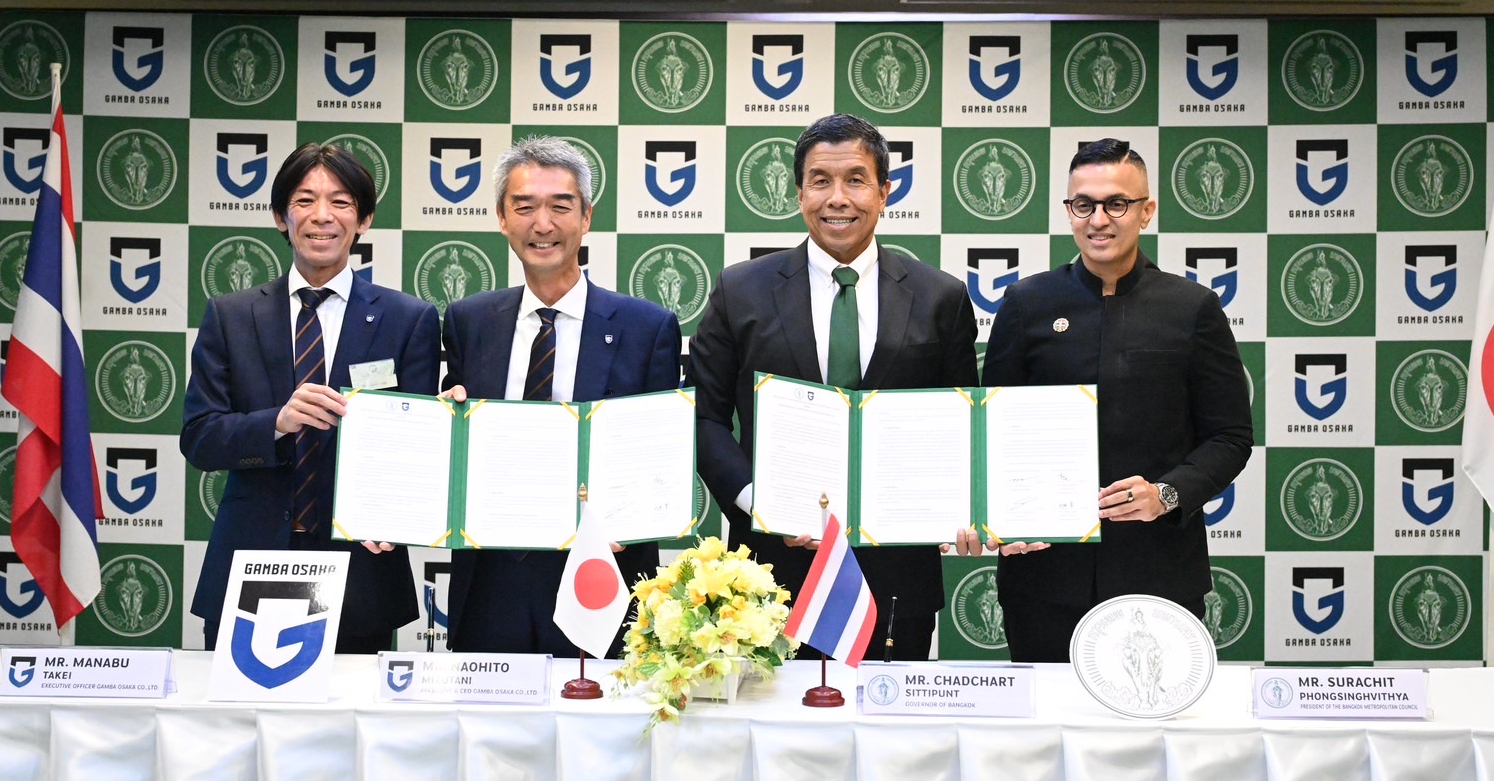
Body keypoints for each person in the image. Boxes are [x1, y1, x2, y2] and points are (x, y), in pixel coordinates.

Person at [688, 113, 981, 660]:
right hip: (767, 581)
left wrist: (962, 505)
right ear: (799, 193)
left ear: (885, 192)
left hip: (897, 576)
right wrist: (760, 506)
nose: (837, 198)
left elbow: (962, 425)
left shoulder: (940, 296)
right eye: (820, 181)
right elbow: (702, 416)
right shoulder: (741, 290)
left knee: (890, 714)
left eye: (856, 180)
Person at [982, 137, 1253, 662]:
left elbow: (1230, 437)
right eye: (1083, 204)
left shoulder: (1192, 307)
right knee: (1047, 714)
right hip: (1043, 576)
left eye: (1117, 204)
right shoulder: (1025, 304)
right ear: (1069, 211)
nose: (1099, 220)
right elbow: (993, 430)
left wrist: (1167, 494)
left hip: (1159, 573)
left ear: (1146, 211)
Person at [184, 143, 440, 653]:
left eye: (341, 202)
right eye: (305, 200)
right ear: (281, 216)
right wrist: (276, 422)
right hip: (251, 562)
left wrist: (399, 509)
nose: (322, 216)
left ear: (364, 220)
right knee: (242, 705)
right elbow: (200, 438)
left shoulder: (409, 320)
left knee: (352, 707)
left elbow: (418, 451)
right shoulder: (231, 316)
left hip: (361, 571)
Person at [441, 137, 681, 655]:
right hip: (491, 581)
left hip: (602, 576)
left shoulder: (647, 328)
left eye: (560, 206)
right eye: (524, 207)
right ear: (502, 218)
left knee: (603, 709)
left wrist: (634, 518)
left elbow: (663, 454)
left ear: (587, 217)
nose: (542, 224)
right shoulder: (469, 321)